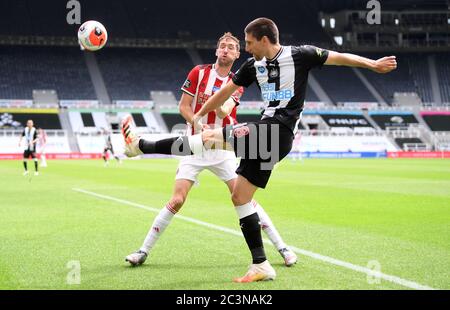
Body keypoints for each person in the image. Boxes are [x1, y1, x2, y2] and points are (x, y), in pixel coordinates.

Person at [121, 17, 397, 282]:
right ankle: (261, 264)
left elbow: (339, 56)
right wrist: (202, 112)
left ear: (265, 40)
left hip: (278, 132)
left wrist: (373, 64)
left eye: (249, 43)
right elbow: (225, 92)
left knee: (208, 139)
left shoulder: (301, 54)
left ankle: (139, 145)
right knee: (240, 196)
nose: (247, 48)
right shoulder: (253, 66)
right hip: (263, 133)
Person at [125, 32, 297, 268]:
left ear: (237, 54)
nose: (226, 50)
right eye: (222, 46)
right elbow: (184, 106)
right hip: (195, 146)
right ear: (217, 51)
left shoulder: (239, 79)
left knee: (246, 199)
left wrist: (223, 110)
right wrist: (196, 122)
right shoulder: (198, 72)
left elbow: (226, 107)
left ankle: (282, 247)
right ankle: (142, 251)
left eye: (231, 47)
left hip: (223, 148)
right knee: (176, 200)